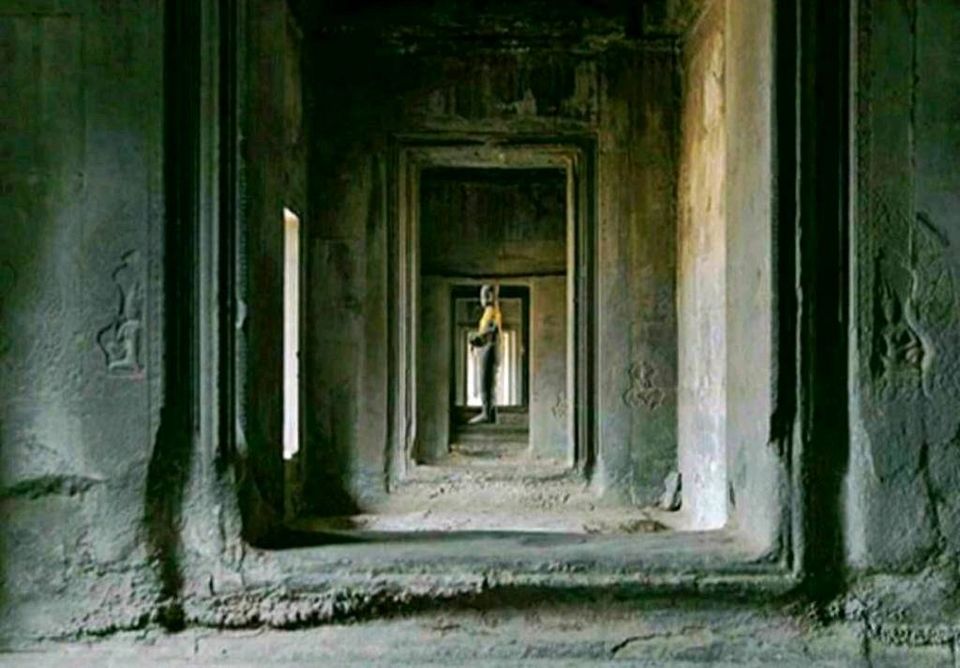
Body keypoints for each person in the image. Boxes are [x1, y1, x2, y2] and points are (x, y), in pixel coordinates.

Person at [468, 284, 502, 424]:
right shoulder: (491, 311)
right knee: (488, 382)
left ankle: (486, 413)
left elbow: (491, 331)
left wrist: (474, 338)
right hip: (489, 348)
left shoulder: (491, 311)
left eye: (483, 295)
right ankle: (490, 412)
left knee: (485, 382)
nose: (482, 298)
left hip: (489, 348)